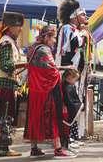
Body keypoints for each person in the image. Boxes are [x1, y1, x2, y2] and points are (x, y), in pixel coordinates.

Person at [24, 26, 75, 158]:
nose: (54, 41)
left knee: (34, 117)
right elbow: (52, 72)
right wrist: (63, 71)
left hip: (35, 90)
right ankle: (58, 149)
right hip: (47, 91)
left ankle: (34, 148)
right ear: (46, 37)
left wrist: (62, 67)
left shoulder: (32, 48)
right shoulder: (45, 50)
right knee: (53, 117)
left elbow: (44, 68)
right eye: (53, 38)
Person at [55, 0, 88, 143]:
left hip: (72, 73)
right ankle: (67, 138)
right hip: (65, 73)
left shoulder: (73, 29)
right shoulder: (67, 28)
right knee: (69, 104)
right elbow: (73, 44)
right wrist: (82, 34)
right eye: (82, 14)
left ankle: (73, 136)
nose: (85, 17)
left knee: (74, 104)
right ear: (74, 16)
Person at [0, 11, 26, 157]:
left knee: (4, 117)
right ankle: (3, 148)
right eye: (18, 26)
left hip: (7, 85)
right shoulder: (6, 43)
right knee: (4, 117)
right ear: (10, 27)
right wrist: (22, 64)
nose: (20, 29)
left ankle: (3, 147)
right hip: (6, 86)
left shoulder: (8, 41)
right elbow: (6, 65)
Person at [62, 69, 84, 151]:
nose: (75, 82)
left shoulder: (68, 86)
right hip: (67, 110)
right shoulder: (67, 87)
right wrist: (79, 106)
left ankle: (72, 139)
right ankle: (69, 141)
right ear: (69, 78)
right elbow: (69, 100)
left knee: (73, 124)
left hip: (69, 109)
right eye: (75, 80)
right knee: (68, 126)